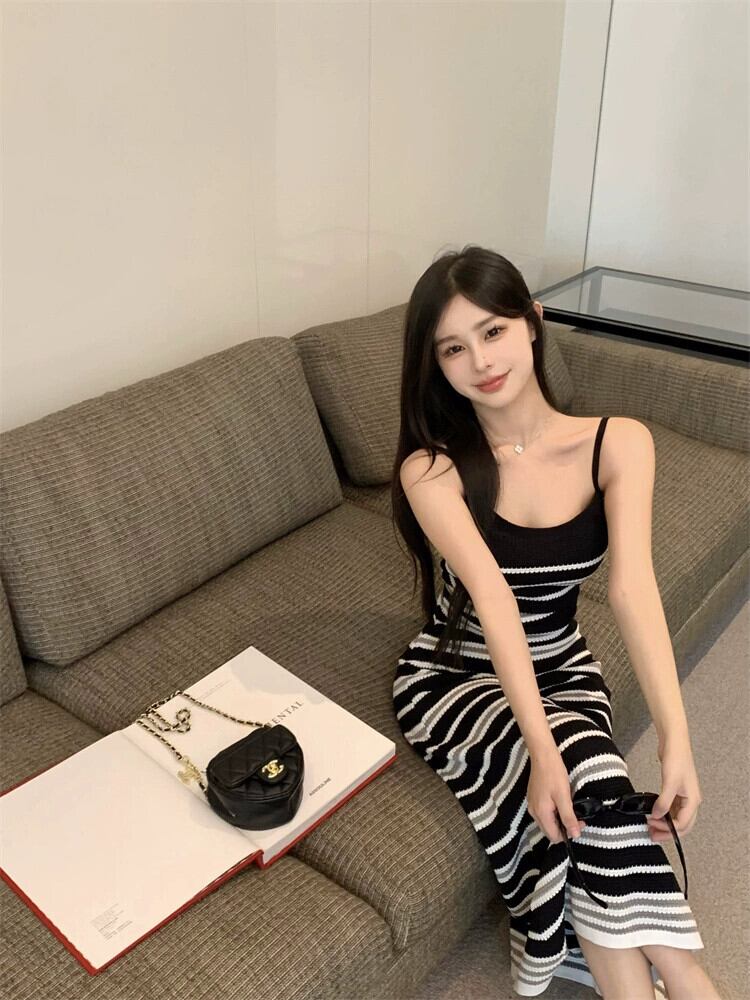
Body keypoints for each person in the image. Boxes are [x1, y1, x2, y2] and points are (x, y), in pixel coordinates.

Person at [390, 245, 720, 999]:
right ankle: (683, 974)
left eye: (493, 331)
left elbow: (633, 589)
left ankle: (634, 973)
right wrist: (540, 747)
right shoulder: (432, 469)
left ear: (533, 323)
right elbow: (494, 599)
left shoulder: (617, 442)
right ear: (435, 365)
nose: (480, 361)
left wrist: (677, 739)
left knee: (588, 799)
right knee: (587, 775)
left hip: (563, 665)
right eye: (453, 348)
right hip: (456, 676)